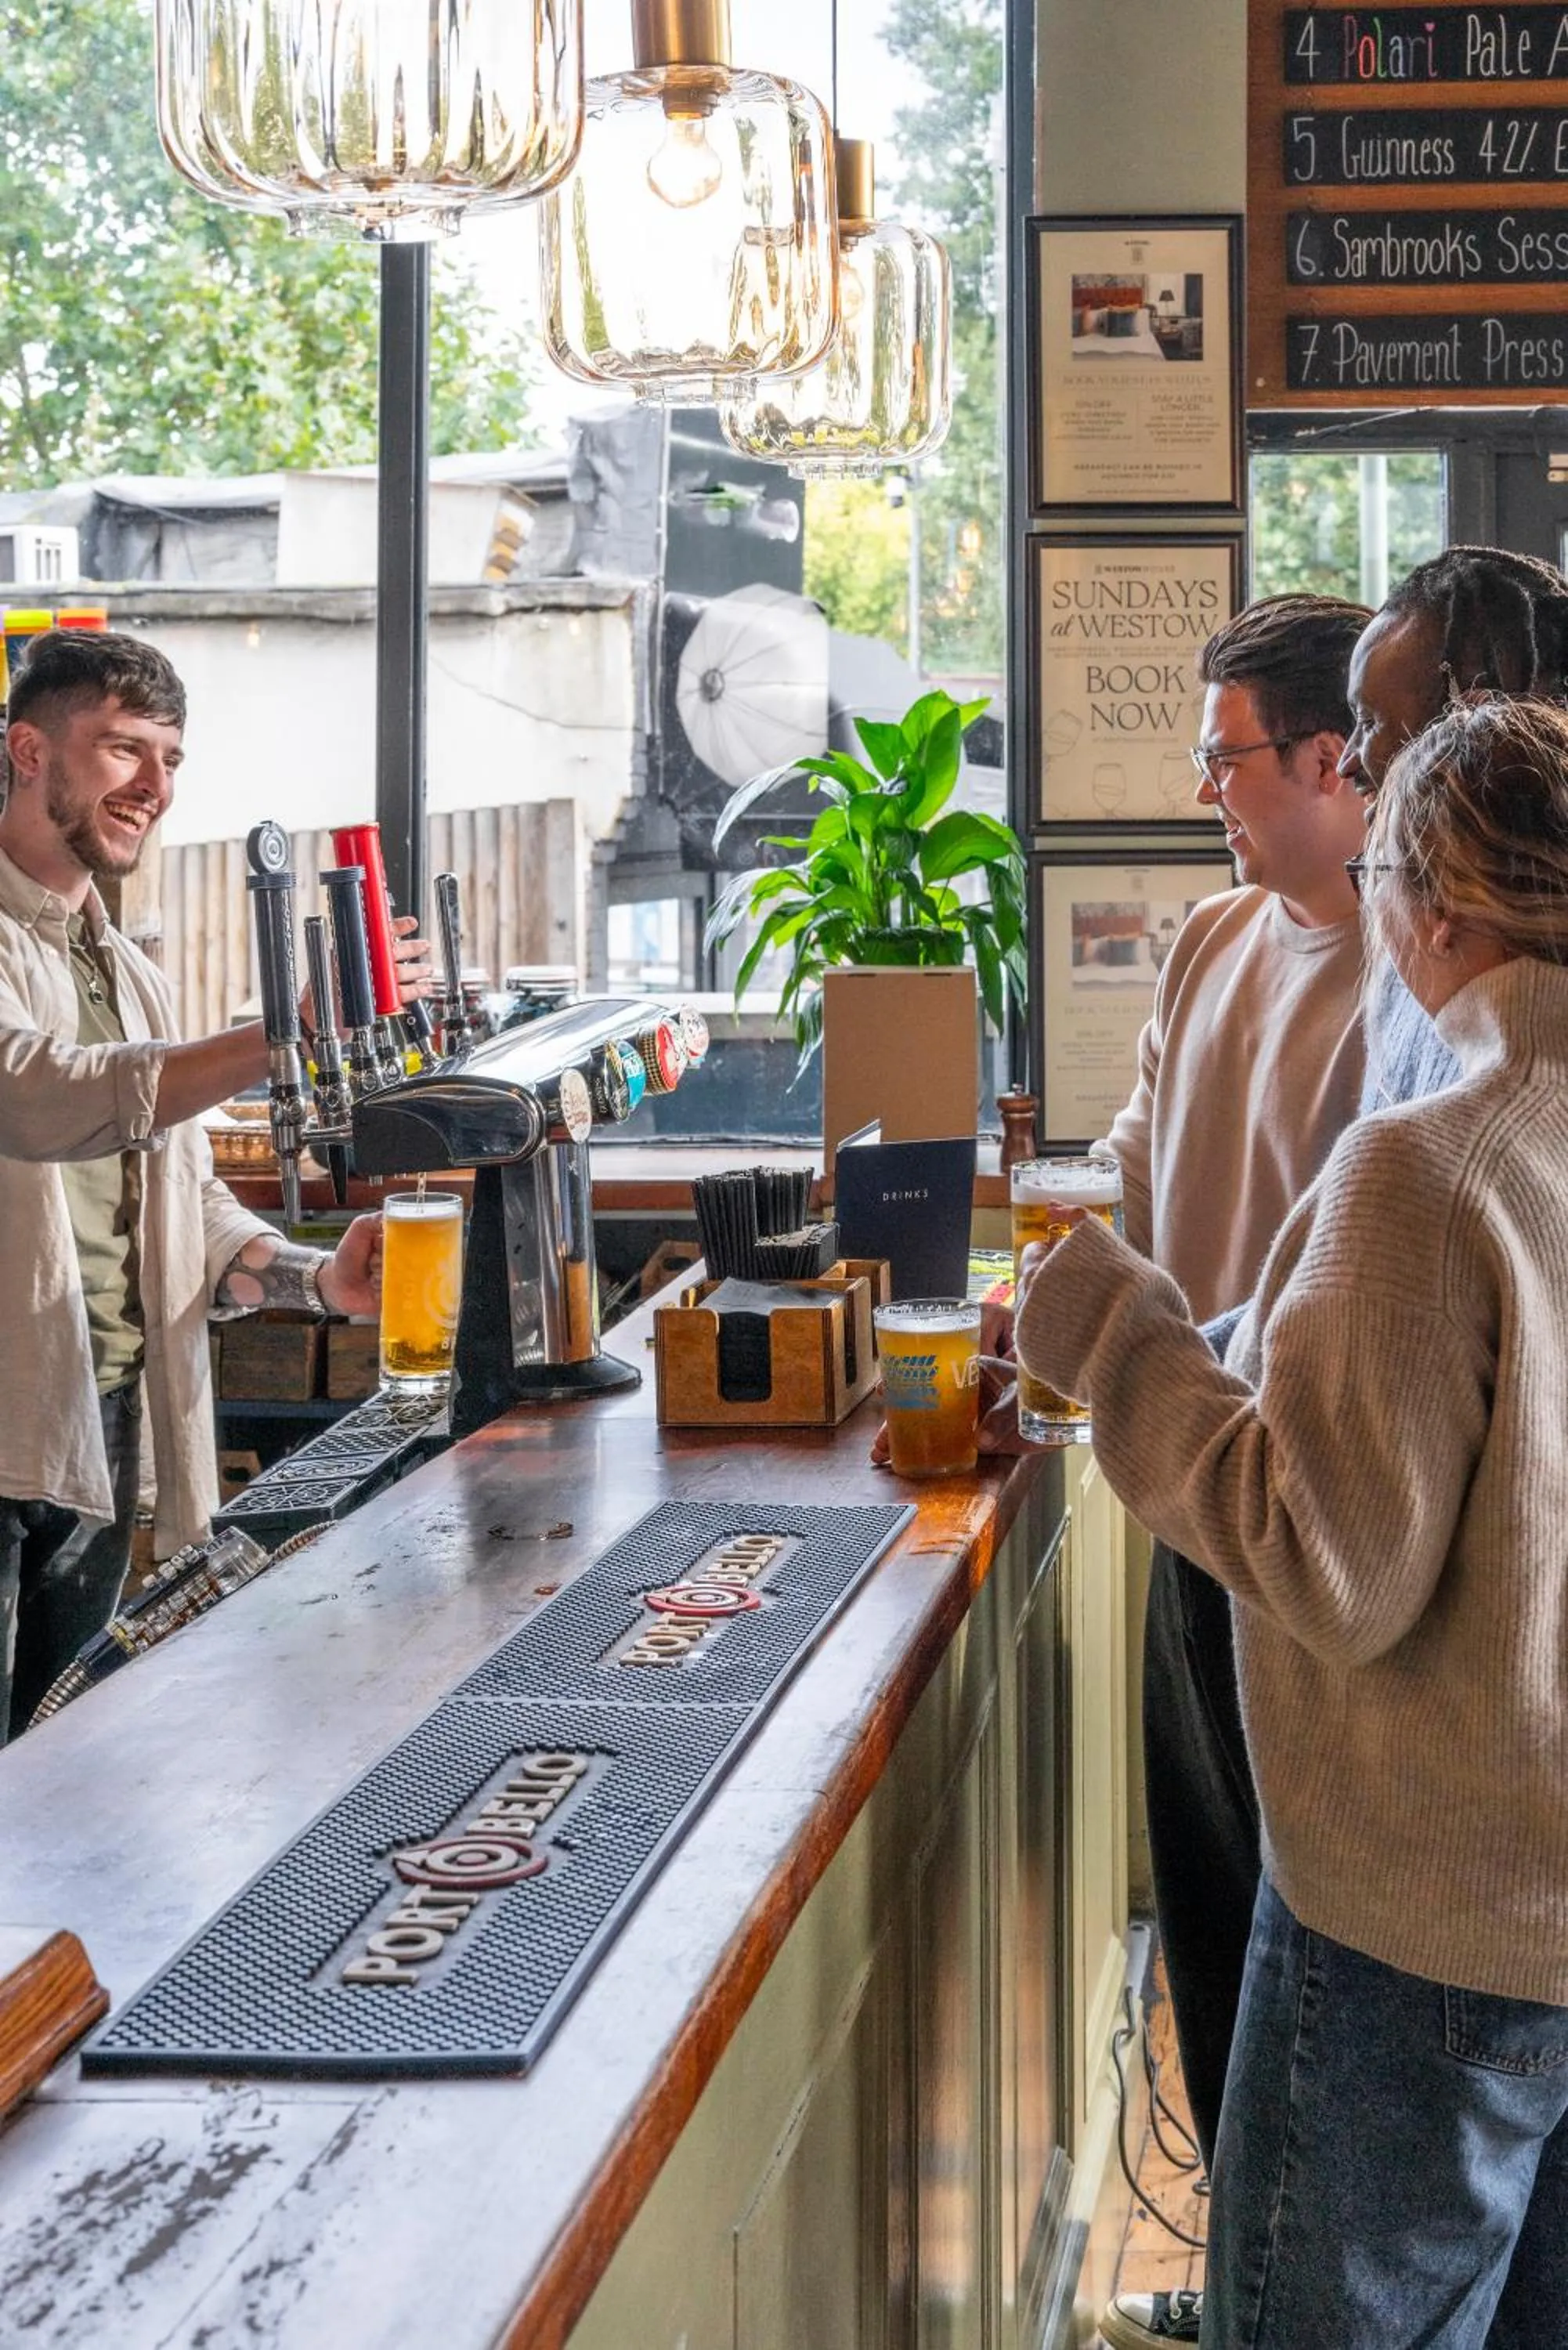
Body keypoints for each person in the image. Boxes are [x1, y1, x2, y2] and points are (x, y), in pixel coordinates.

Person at [1015, 692, 1568, 2348]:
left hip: (1433, 1918)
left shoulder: (1428, 1168)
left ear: (1434, 908)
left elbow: (1329, 1565)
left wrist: (1110, 1329)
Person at [1086, 593, 1372, 2350]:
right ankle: (1242, 2261)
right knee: (1202, 1897)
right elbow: (1132, 1156)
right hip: (1177, 1485)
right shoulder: (1208, 939)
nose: (1204, 791)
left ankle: (1303, 2287)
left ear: (1333, 761)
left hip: (1317, 1516)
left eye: (1226, 758)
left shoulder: (1425, 979)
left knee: (1309, 1936)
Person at [0, 628, 432, 1741]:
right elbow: (36, 1096)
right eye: (123, 749)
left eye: (172, 759)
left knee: (58, 1766)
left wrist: (312, 1280)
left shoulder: (125, 970)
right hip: (8, 1424)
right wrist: (284, 1033)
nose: (154, 786)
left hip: (102, 1422)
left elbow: (182, 1201)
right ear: (29, 752)